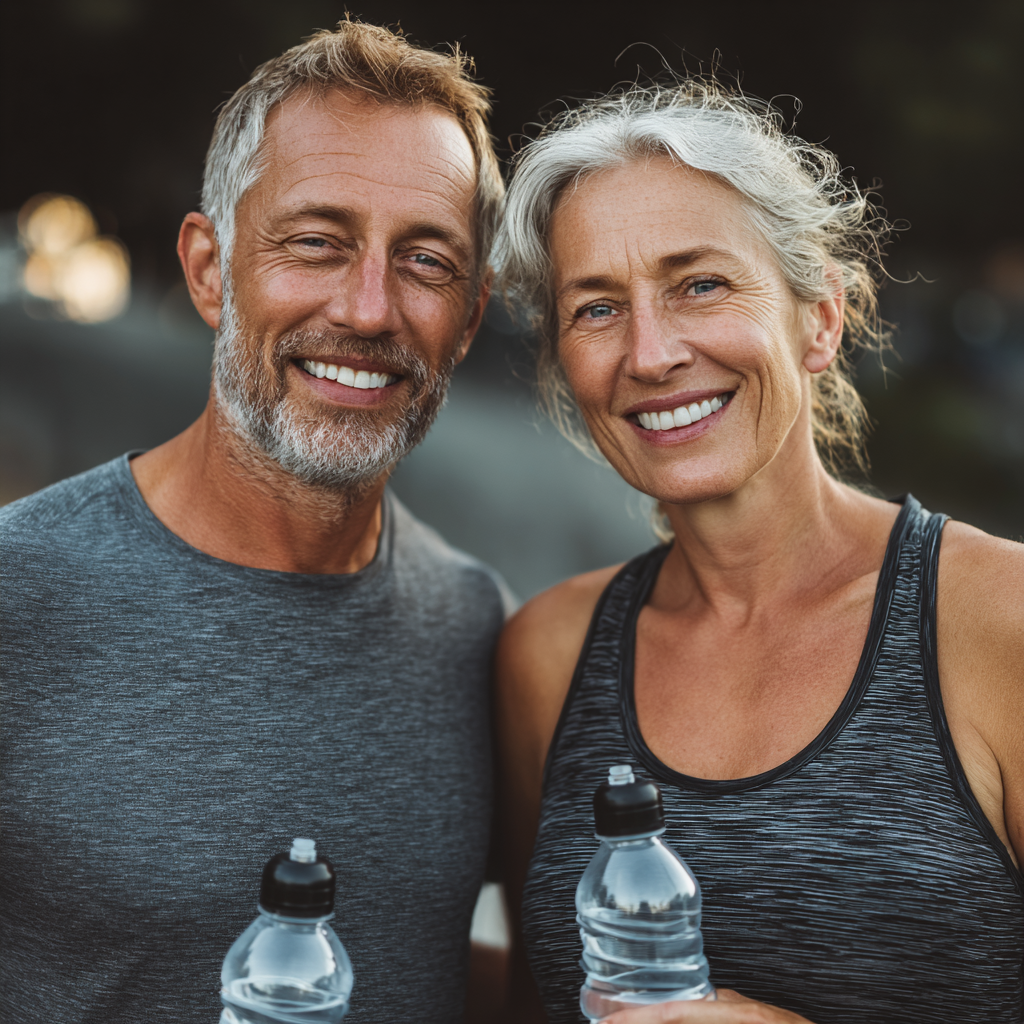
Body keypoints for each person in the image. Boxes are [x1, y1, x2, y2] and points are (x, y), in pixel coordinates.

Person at [0, 20, 512, 1024]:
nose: (368, 309)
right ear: (207, 268)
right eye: (316, 242)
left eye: (425, 262)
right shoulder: (19, 597)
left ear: (473, 316)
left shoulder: (480, 630)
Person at [493, 81, 1023, 1024]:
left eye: (700, 283)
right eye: (596, 308)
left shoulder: (999, 622)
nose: (650, 354)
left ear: (821, 317)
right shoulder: (548, 656)